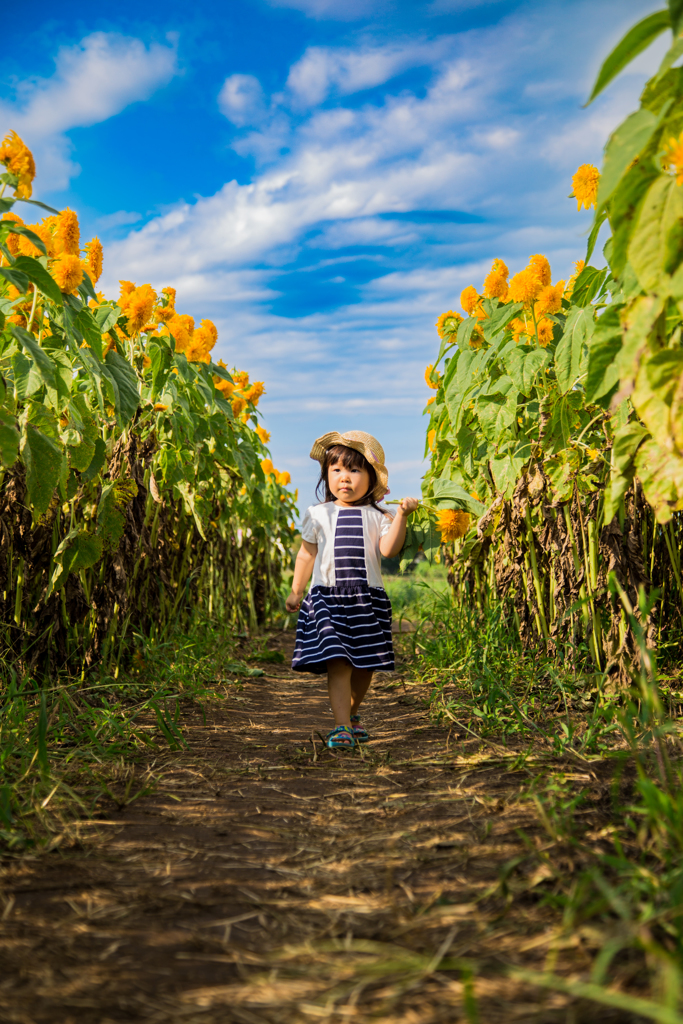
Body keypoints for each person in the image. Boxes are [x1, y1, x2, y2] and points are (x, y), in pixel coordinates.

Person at [285, 431, 418, 749]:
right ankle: (341, 725)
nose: (345, 477)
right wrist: (296, 590)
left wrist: (400, 515)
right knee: (339, 661)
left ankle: (352, 715)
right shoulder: (318, 514)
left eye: (355, 470)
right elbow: (307, 554)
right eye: (337, 470)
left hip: (366, 598)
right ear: (326, 475)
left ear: (371, 479)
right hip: (326, 598)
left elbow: (388, 550)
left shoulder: (378, 516)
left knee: (365, 662)